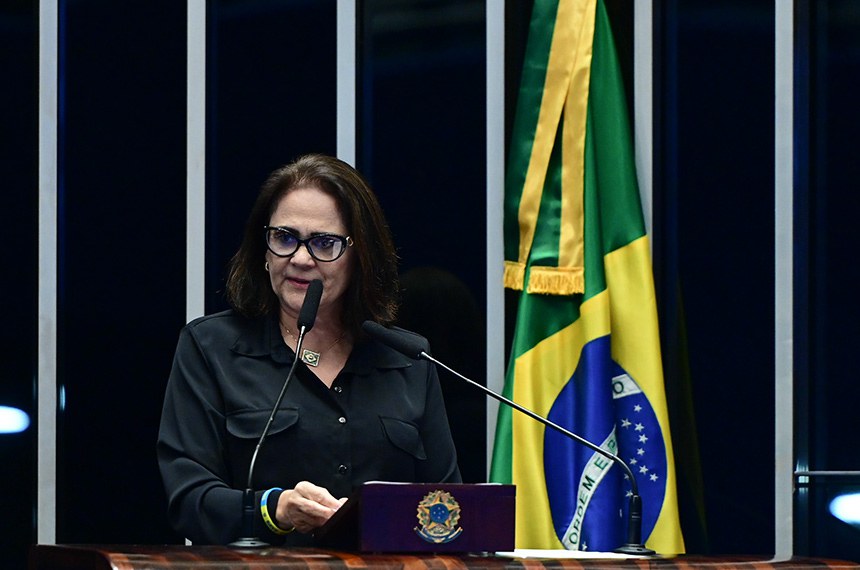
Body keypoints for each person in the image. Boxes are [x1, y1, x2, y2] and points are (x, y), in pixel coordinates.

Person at [157, 154, 461, 546]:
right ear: (263, 252)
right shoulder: (211, 348)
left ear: (360, 257)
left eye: (323, 243)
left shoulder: (407, 360)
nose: (300, 259)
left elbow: (447, 508)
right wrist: (276, 510)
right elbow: (188, 501)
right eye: (284, 238)